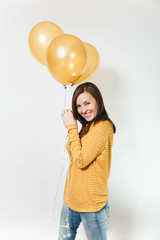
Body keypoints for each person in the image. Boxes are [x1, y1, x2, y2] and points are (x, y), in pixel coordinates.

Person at [58, 82, 116, 240]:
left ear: (98, 100)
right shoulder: (87, 127)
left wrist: (71, 127)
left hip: (91, 205)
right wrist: (73, 130)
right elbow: (73, 153)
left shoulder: (103, 127)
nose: (83, 110)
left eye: (87, 103)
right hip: (71, 199)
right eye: (78, 106)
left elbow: (80, 160)